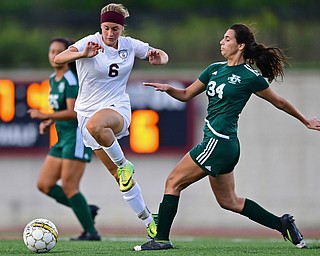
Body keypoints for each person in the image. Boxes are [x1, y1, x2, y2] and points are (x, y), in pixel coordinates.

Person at [133, 23, 320, 251]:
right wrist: (168, 88)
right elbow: (185, 94)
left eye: (227, 39)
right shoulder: (214, 69)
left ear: (240, 46)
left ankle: (161, 239)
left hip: (219, 142)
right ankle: (282, 224)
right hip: (221, 144)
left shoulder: (249, 76)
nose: (222, 42)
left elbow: (279, 102)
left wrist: (305, 120)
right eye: (223, 38)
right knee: (229, 202)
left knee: (173, 182)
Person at [54, 3, 169, 238]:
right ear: (101, 26)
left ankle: (125, 164)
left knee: (98, 126)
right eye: (106, 28)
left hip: (116, 108)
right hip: (86, 113)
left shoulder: (129, 45)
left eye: (115, 29)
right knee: (121, 180)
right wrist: (81, 54)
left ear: (122, 29)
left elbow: (160, 54)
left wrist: (161, 59)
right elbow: (59, 58)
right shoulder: (90, 42)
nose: (110, 33)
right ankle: (149, 220)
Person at [28, 38, 101, 241]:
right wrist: (49, 121)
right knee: (45, 184)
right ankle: (86, 210)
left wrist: (44, 115)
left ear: (68, 57)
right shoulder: (54, 78)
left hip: (76, 135)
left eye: (58, 51)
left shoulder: (70, 79)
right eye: (51, 51)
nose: (54, 55)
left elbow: (73, 112)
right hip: (62, 137)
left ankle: (91, 232)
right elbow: (60, 111)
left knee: (70, 187)